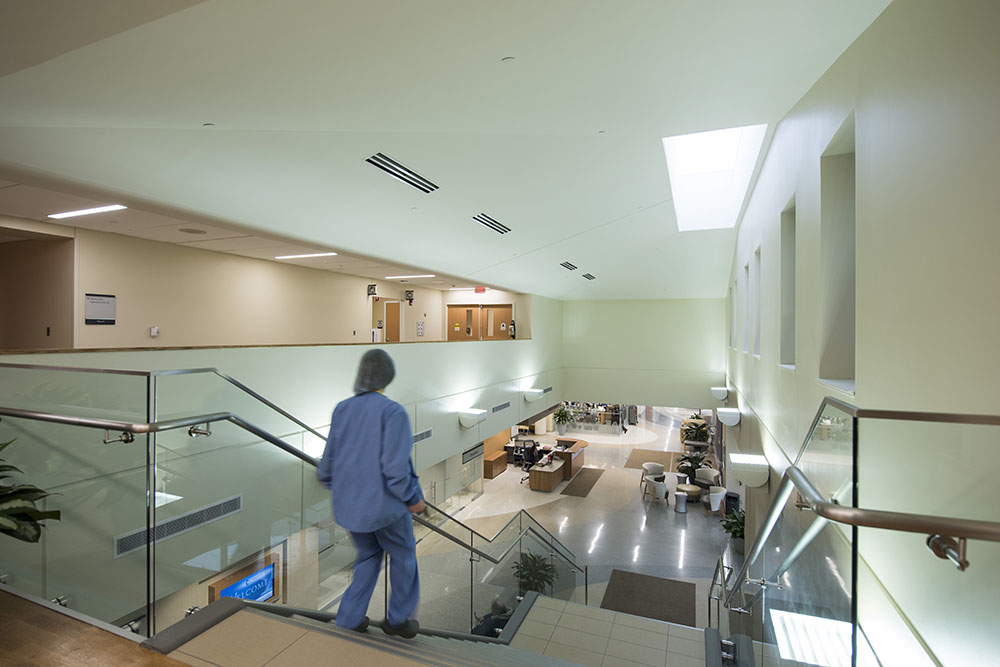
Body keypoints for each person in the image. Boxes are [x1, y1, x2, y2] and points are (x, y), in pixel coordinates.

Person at [317, 349, 425, 638]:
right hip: (385, 510)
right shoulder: (393, 412)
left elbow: (327, 462)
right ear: (388, 375)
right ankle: (398, 619)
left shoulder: (342, 408)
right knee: (403, 556)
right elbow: (396, 467)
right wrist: (413, 498)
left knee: (367, 557)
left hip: (350, 510)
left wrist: (336, 485)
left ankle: (349, 618)